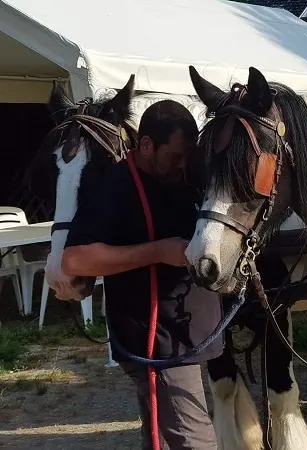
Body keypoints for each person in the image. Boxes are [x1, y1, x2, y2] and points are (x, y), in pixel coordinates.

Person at [62, 99, 220, 449]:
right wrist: (158, 251)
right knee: (195, 440)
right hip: (155, 337)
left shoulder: (183, 178)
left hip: (185, 332)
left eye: (186, 157)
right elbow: (75, 260)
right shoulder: (115, 186)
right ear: (146, 144)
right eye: (175, 156)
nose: (182, 165)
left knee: (161, 436)